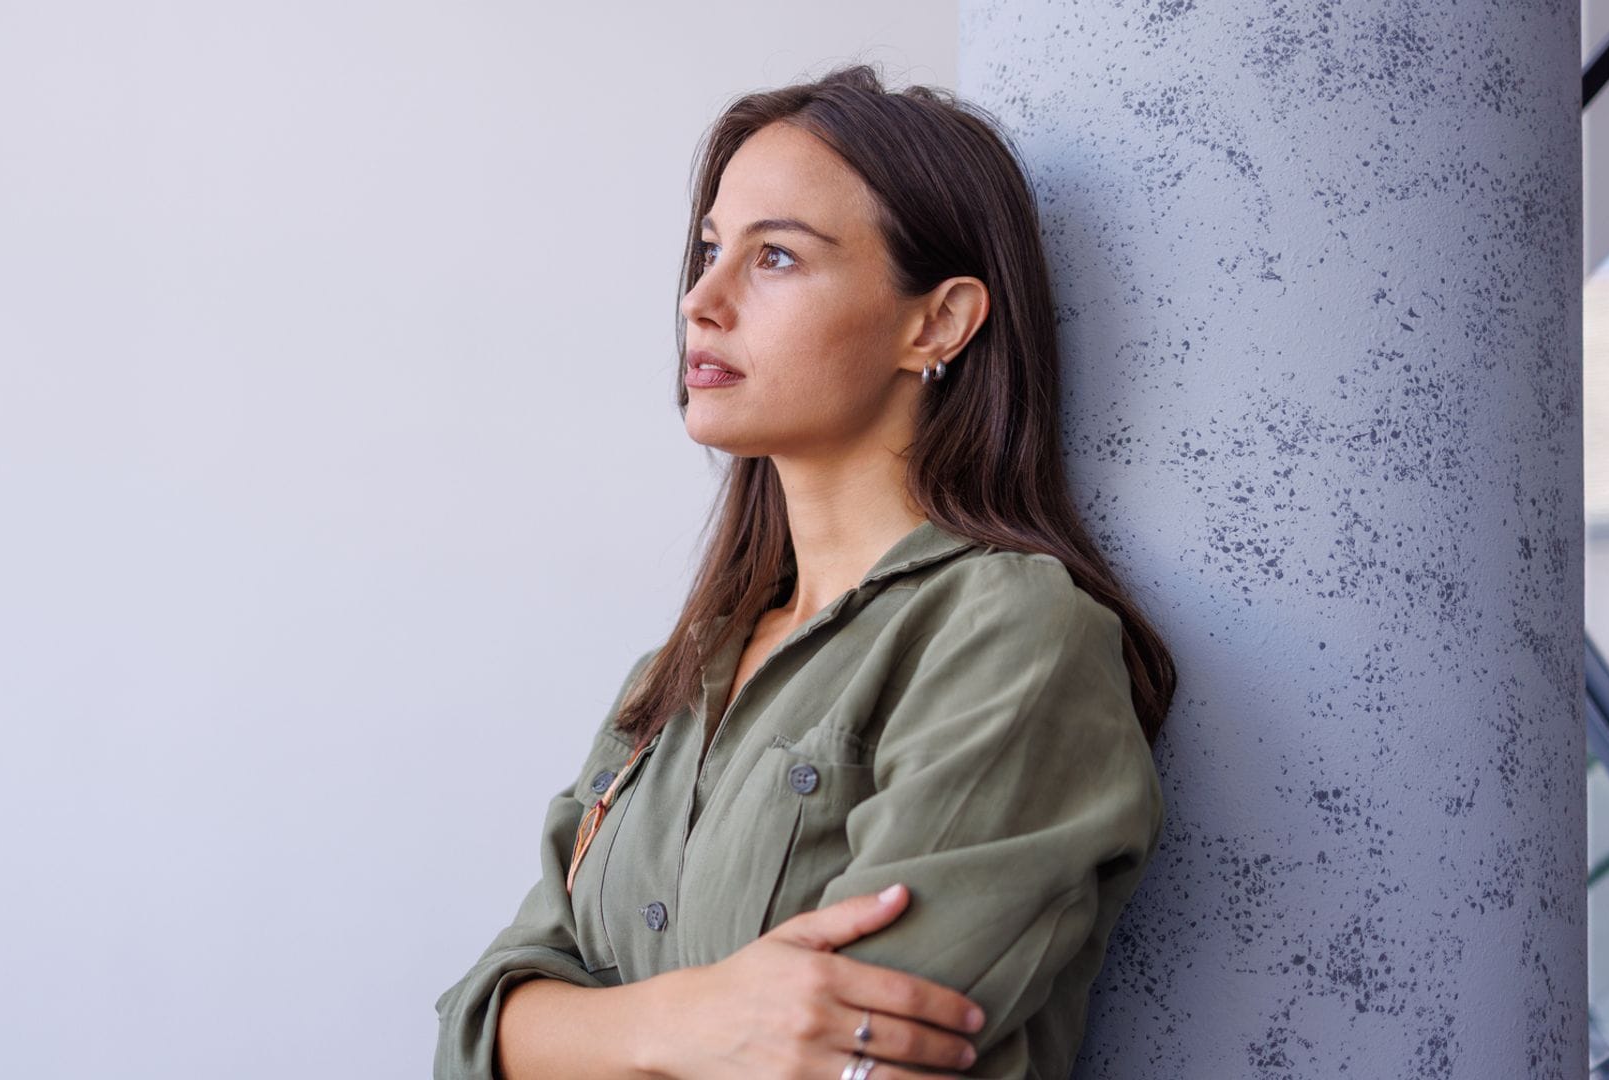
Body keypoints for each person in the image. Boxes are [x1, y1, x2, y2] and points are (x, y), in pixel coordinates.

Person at [433, 62, 1175, 1080]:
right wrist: (685, 1025)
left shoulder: (1012, 635)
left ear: (939, 322)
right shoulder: (676, 675)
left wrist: (590, 1036)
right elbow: (475, 1030)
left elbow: (853, 1053)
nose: (701, 300)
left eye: (775, 256)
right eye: (707, 251)